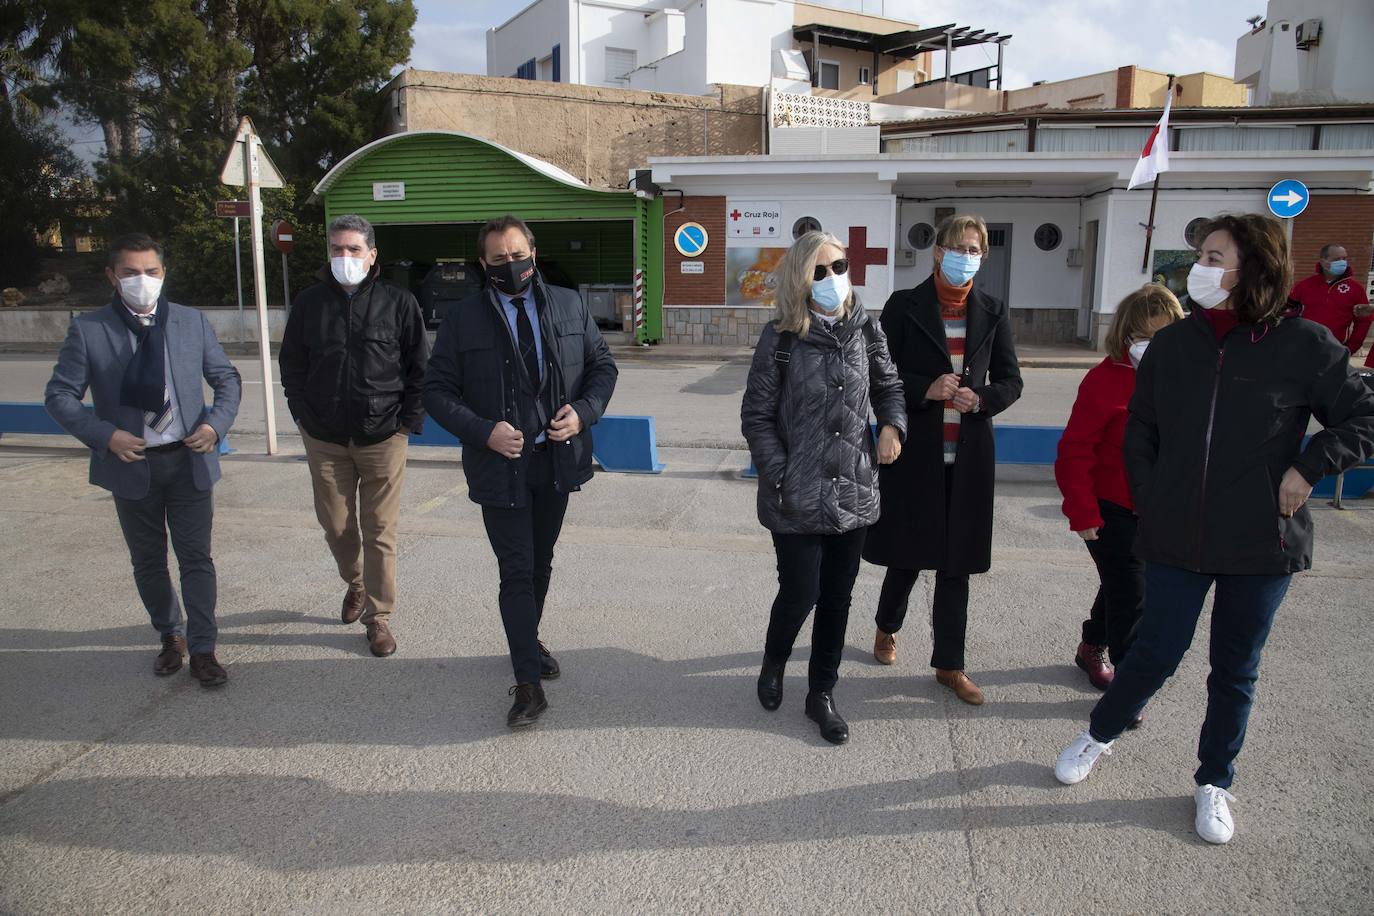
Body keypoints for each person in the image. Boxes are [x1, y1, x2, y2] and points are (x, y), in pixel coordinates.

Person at [1054, 214, 1374, 845]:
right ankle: (1097, 736)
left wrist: (1309, 469)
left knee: (1235, 668)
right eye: (1200, 254)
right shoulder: (1174, 346)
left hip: (1262, 540)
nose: (1199, 266)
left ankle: (1214, 781)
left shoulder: (1305, 345)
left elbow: (1362, 417)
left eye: (1213, 255)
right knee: (1153, 652)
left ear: (1252, 267)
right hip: (1177, 538)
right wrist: (1151, 496)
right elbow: (1140, 431)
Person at [424, 215, 617, 728]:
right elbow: (437, 392)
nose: (511, 266)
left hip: (556, 461)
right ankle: (528, 683)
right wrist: (483, 430)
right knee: (515, 569)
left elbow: (603, 367)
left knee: (540, 563)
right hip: (499, 465)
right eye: (498, 259)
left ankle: (527, 640)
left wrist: (583, 412)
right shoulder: (463, 319)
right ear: (483, 264)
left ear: (534, 251)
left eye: (518, 255)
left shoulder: (570, 305)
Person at [44, 233, 242, 686]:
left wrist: (216, 426)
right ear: (112, 276)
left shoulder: (190, 322)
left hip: (188, 461)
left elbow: (226, 379)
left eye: (151, 272)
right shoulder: (90, 330)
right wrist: (106, 435)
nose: (142, 280)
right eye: (131, 272)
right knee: (149, 560)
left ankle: (204, 648)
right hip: (132, 465)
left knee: (196, 558)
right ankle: (170, 635)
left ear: (163, 274)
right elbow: (60, 396)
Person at [742, 230, 907, 745]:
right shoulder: (782, 337)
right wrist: (781, 472)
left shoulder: (867, 329)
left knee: (837, 598)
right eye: (819, 271)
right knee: (800, 594)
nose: (833, 279)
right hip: (796, 492)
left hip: (854, 488)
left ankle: (822, 694)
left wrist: (892, 427)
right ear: (799, 279)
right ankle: (773, 664)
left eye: (838, 266)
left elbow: (889, 386)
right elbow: (757, 415)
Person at [861, 213, 1023, 705]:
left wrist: (985, 399)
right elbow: (877, 371)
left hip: (970, 459)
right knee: (908, 558)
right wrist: (925, 388)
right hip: (918, 456)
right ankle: (887, 627)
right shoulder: (905, 305)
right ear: (939, 251)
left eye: (974, 250)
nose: (965, 257)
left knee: (958, 566)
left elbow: (1011, 381)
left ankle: (950, 666)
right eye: (958, 247)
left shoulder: (993, 310)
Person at [280, 214, 429, 658]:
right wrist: (302, 415)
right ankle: (357, 582)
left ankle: (379, 618)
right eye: (337, 249)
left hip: (384, 435)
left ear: (372, 255)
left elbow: (421, 368)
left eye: (353, 250)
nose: (344, 257)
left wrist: (407, 422)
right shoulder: (309, 304)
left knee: (380, 528)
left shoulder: (400, 303)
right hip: (324, 435)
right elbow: (293, 366)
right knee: (337, 525)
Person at [1054, 284, 1183, 692]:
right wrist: (1082, 511)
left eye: (1162, 336)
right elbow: (1075, 450)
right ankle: (1129, 689)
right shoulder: (1103, 381)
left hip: (1159, 509)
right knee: (1133, 596)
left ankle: (1091, 644)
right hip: (1111, 510)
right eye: (1141, 337)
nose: (1150, 346)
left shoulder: (1185, 379)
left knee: (1120, 585)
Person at [1290, 242, 1370, 355]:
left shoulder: (1355, 289)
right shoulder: (1304, 286)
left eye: (1344, 258)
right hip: (1303, 348)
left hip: (1336, 350)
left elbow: (1364, 321)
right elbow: (1287, 314)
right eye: (1337, 259)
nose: (1342, 262)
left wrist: (1352, 347)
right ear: (1323, 262)